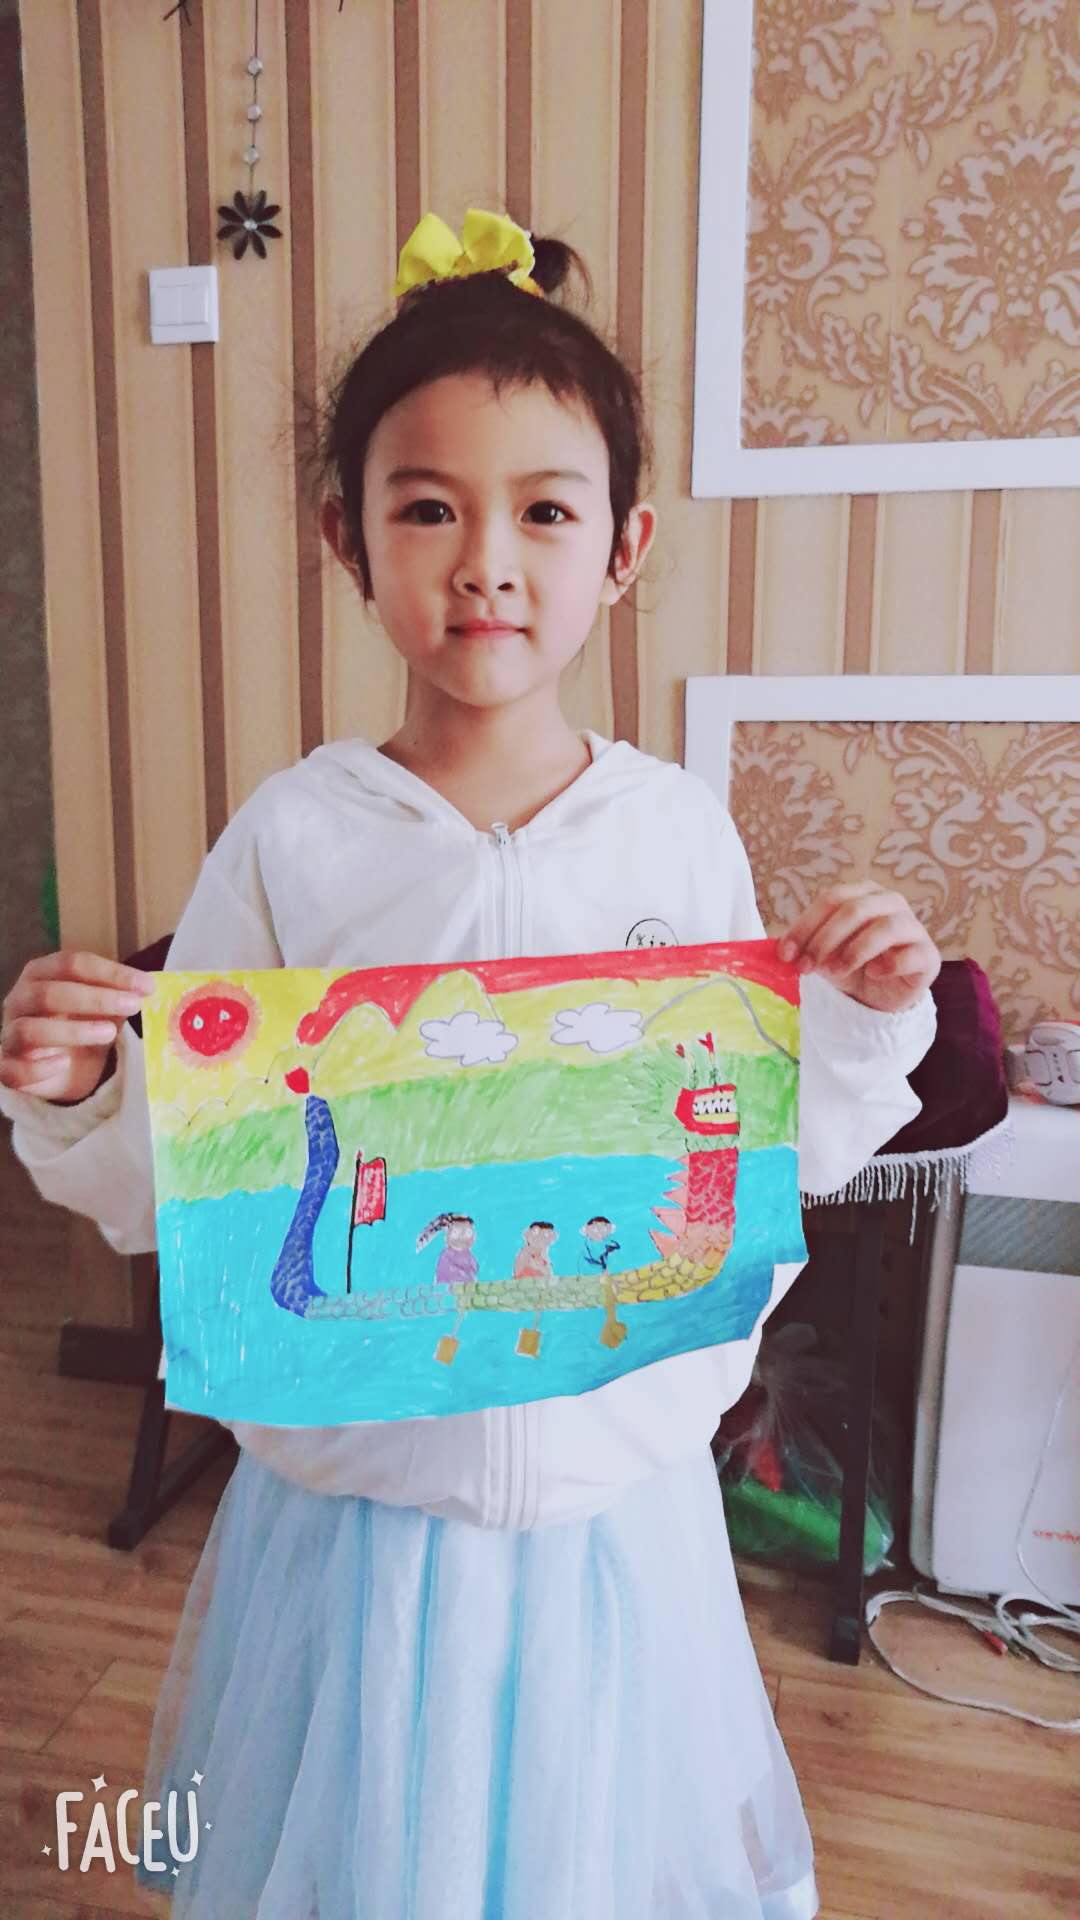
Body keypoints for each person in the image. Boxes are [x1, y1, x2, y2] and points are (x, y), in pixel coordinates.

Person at [0, 207, 940, 1919]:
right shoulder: (294, 838)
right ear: (346, 537)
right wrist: (86, 1098)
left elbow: (759, 1150)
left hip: (614, 1523)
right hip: (359, 1524)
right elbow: (201, 1189)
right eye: (428, 507)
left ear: (625, 546)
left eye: (543, 512)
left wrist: (867, 1016)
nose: (486, 562)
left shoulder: (673, 833)